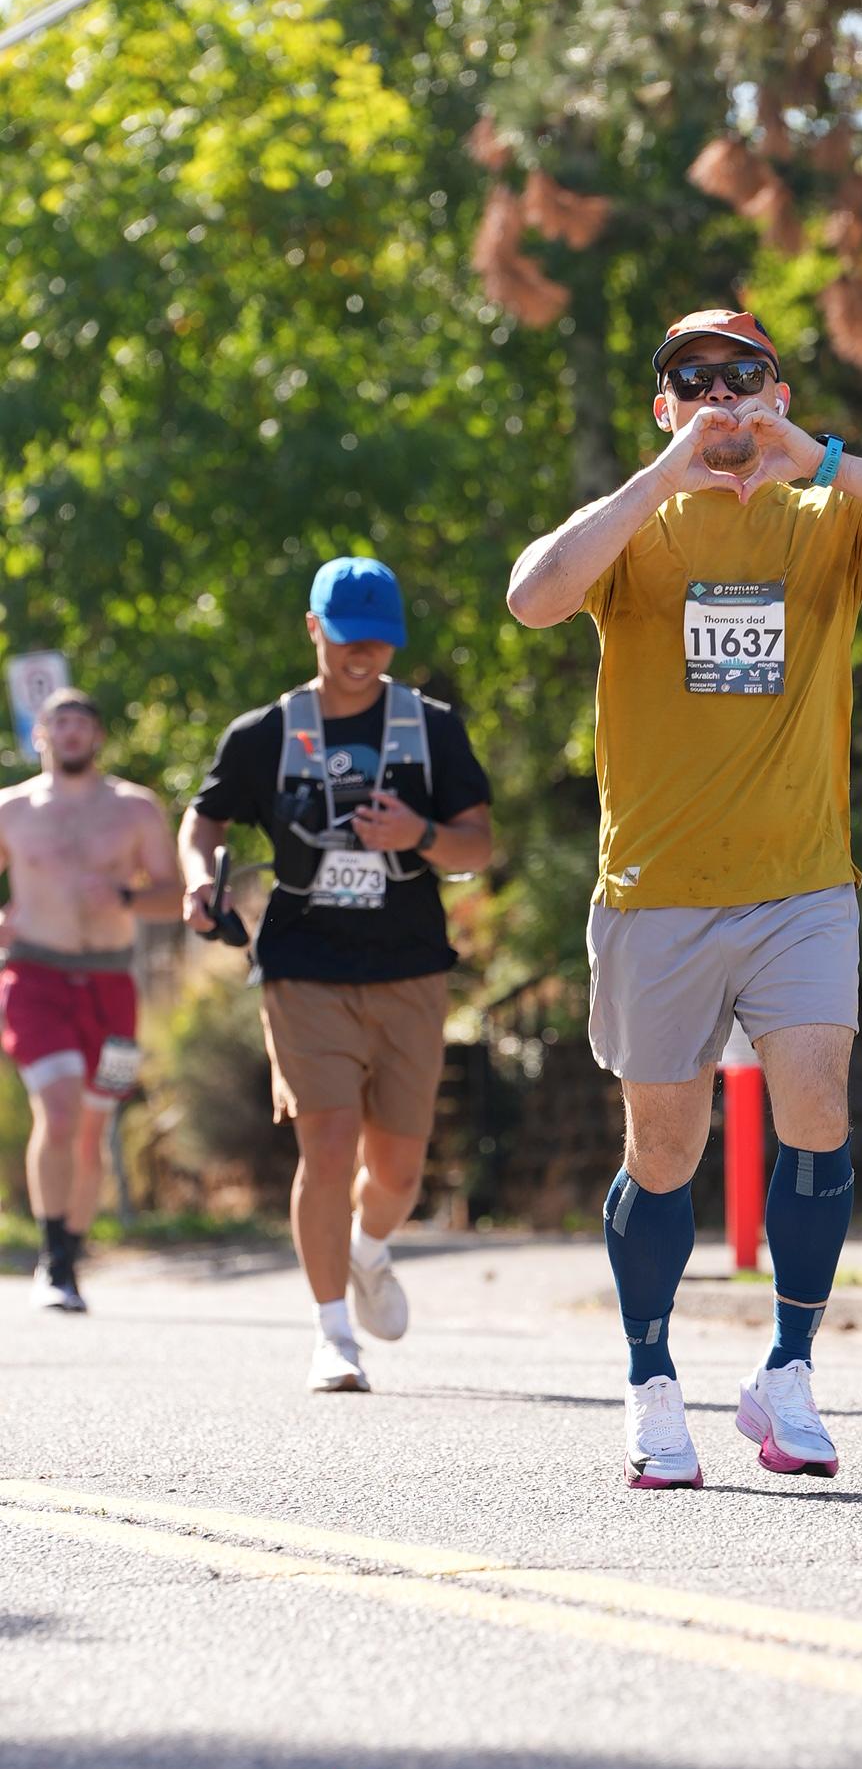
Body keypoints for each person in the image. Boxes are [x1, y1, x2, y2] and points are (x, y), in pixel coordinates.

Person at [508, 308, 862, 1490]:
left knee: (816, 1107)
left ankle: (789, 1370)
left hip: (801, 887)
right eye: (695, 380)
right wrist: (660, 478)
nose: (720, 395)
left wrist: (821, 459)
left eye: (743, 375)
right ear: (666, 407)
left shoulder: (829, 517)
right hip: (656, 892)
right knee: (665, 1148)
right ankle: (650, 1379)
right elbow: (531, 596)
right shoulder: (634, 528)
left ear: (776, 394)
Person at [178, 557, 493, 1394]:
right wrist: (197, 880)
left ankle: (368, 1249)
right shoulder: (265, 734)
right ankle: (332, 1336)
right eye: (350, 639)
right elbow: (203, 821)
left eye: (380, 642)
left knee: (397, 1173)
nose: (365, 656)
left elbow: (478, 844)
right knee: (326, 1145)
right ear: (314, 629)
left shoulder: (431, 727)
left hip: (409, 969)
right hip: (302, 966)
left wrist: (418, 835)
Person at [0, 688, 184, 1312]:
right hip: (35, 977)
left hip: (112, 986)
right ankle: (51, 1261)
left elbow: (174, 896)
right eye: (60, 723)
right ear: (40, 735)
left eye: (82, 723)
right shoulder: (11, 809)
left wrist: (127, 898)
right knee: (58, 1110)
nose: (72, 732)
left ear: (99, 737)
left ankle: (70, 1261)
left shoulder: (135, 808)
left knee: (92, 1130)